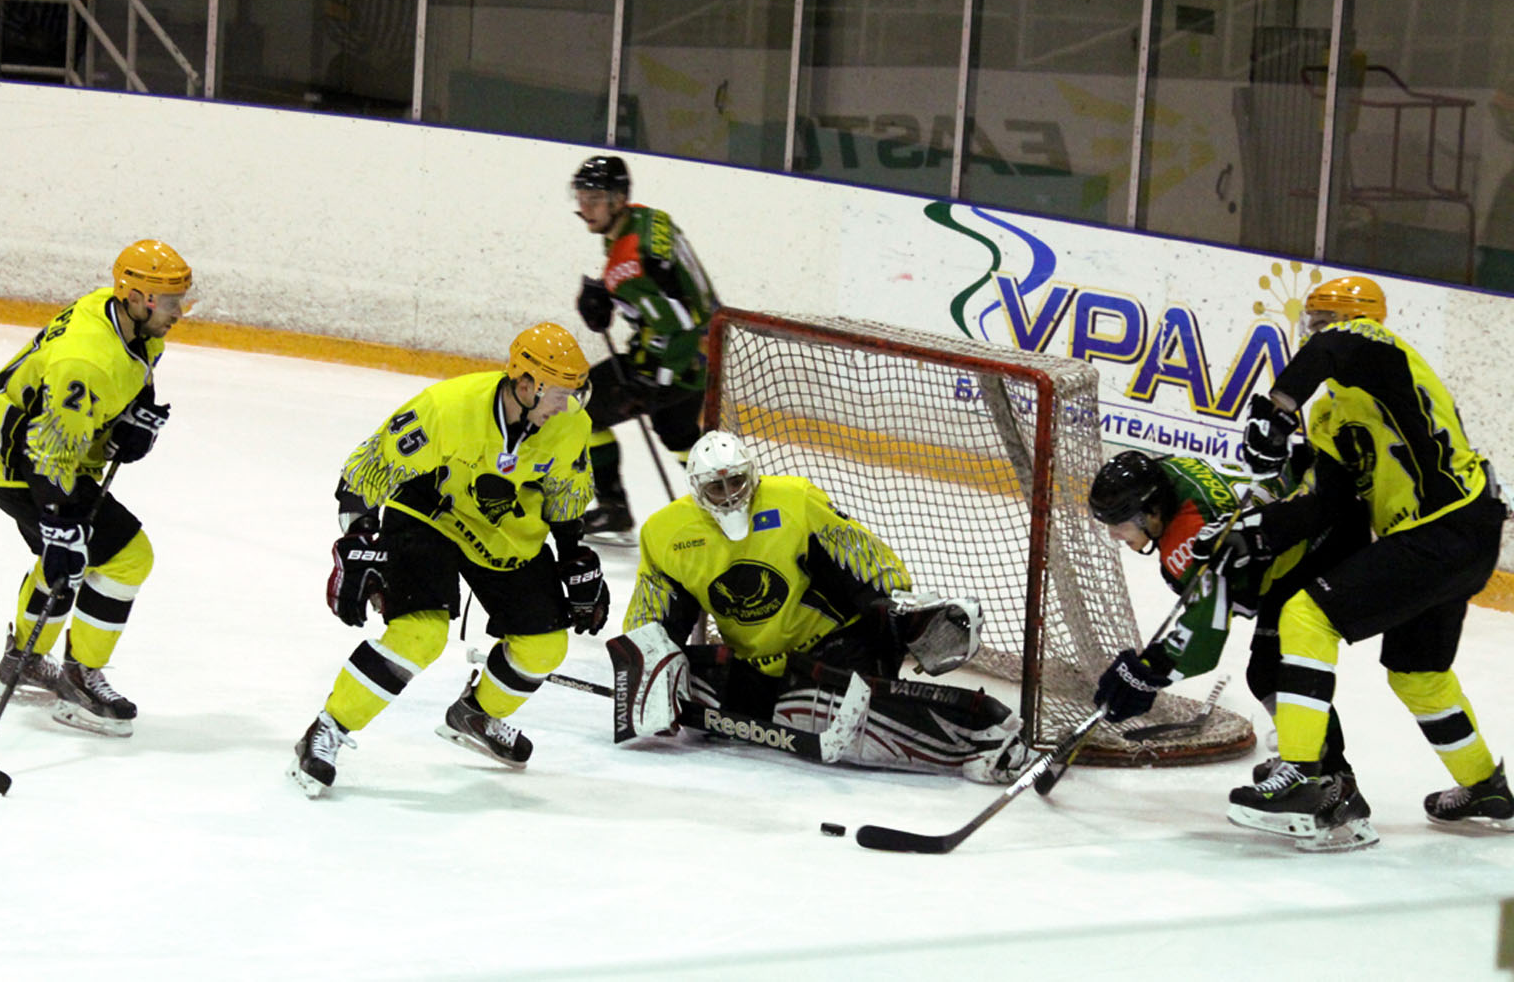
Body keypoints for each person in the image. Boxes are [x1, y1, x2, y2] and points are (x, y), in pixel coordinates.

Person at [1205, 275, 1512, 833]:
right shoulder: (1331, 414)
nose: (1316, 332)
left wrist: (1277, 408)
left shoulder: (1382, 353)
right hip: (1453, 539)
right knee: (1418, 674)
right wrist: (1255, 533)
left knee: (1306, 616)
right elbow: (1327, 503)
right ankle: (1484, 788)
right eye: (1313, 322)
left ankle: (1303, 776)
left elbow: (1335, 345)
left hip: (1443, 529)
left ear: (1357, 319)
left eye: (1324, 321)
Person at [289, 322, 610, 797]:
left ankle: (476, 715)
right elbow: (364, 473)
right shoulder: (448, 408)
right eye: (558, 393)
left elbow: (565, 494)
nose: (565, 406)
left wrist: (574, 555)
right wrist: (358, 540)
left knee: (544, 646)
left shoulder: (570, 425)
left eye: (572, 394)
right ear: (525, 383)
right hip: (428, 516)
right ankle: (327, 729)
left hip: (503, 532)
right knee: (419, 635)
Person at [611, 429, 1026, 782]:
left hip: (837, 649)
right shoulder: (665, 533)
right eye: (716, 487)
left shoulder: (794, 501)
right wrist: (647, 674)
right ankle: (791, 701)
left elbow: (866, 563)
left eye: (736, 482)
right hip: (760, 666)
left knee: (823, 703)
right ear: (697, 489)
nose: (729, 495)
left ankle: (984, 733)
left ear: (752, 475)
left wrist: (896, 613)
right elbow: (652, 618)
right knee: (695, 677)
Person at [1088, 448, 1377, 849]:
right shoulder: (1169, 474)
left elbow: (1204, 639)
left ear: (1152, 512)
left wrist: (1149, 672)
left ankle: (1334, 787)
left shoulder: (1187, 535)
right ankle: (1308, 764)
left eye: (1119, 524)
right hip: (1308, 531)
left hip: (1319, 545)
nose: (1114, 535)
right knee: (1266, 672)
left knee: (1276, 671)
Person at [0, 238, 193, 738]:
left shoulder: (126, 320)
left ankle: (23, 660)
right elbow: (48, 452)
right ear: (136, 298)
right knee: (125, 557)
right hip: (24, 466)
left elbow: (128, 380)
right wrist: (58, 520)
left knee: (68, 559)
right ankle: (79, 679)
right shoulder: (87, 360)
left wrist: (130, 422)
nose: (179, 312)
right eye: (171, 301)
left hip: (21, 452)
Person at [570, 154, 719, 545]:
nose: (585, 207)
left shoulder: (630, 261)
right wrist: (607, 295)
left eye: (594, 198)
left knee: (577, 410)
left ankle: (614, 506)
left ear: (618, 199)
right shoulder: (646, 219)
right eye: (581, 197)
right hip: (704, 354)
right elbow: (670, 287)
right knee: (678, 434)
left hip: (673, 361)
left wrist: (652, 382)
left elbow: (679, 320)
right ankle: (726, 507)